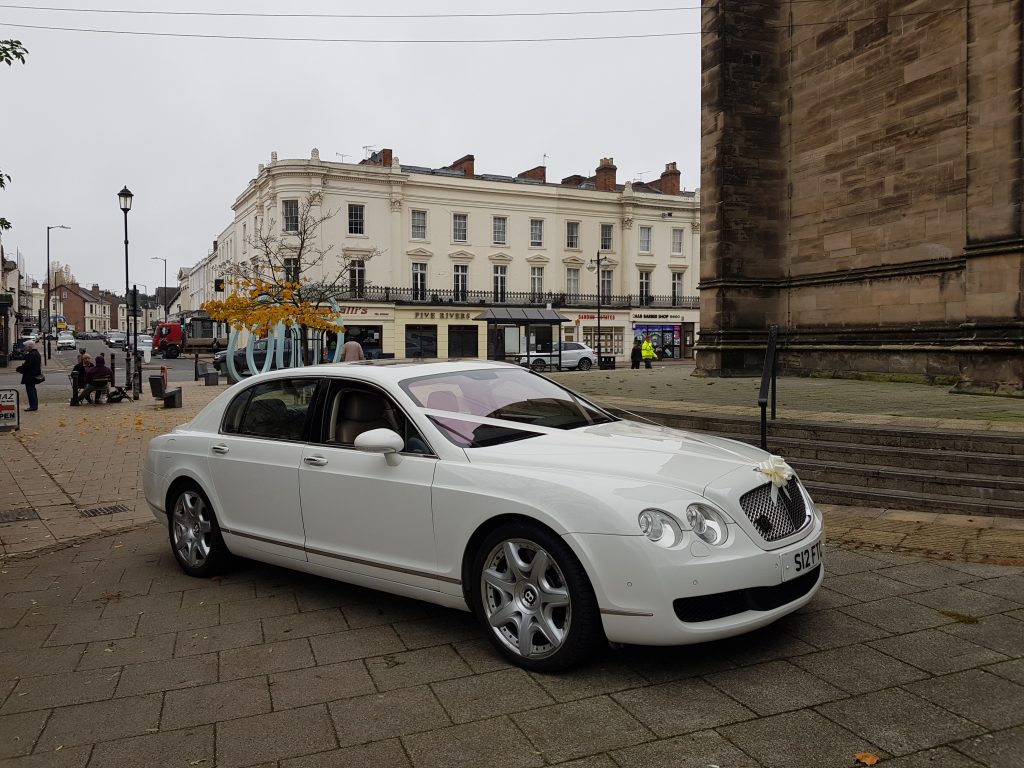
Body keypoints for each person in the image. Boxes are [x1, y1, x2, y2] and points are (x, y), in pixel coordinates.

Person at [15, 340, 42, 411]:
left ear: (29, 347)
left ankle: (33, 406)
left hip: (30, 376)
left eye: (25, 346)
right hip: (34, 374)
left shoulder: (31, 355)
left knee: (30, 391)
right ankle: (34, 405)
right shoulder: (36, 353)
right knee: (33, 389)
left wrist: (19, 369)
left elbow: (27, 366)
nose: (24, 348)